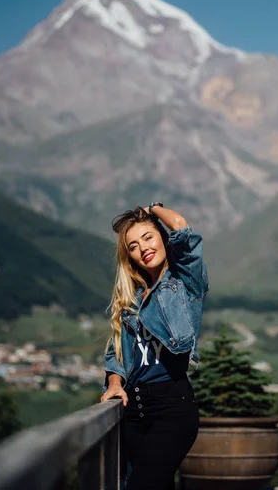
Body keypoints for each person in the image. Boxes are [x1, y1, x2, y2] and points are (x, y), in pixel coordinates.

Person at [100, 203, 209, 490]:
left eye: (148, 237)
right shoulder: (130, 301)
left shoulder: (185, 283)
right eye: (133, 246)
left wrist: (153, 209)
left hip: (172, 408)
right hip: (133, 412)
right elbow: (117, 353)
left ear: (161, 237)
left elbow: (182, 228)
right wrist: (114, 382)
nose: (143, 248)